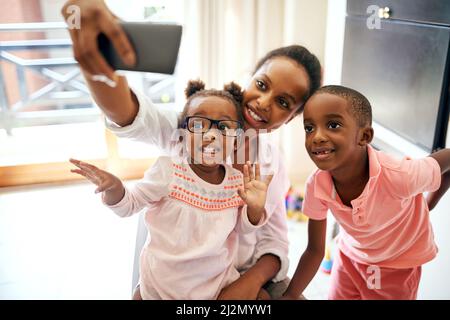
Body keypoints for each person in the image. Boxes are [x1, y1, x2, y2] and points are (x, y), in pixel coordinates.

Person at [61, 0, 322, 299]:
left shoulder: (272, 161)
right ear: (250, 79)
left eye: (284, 103)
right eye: (262, 85)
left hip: (240, 277)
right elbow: (128, 115)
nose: (265, 102)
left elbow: (274, 238)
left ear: (292, 118)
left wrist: (248, 283)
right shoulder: (192, 127)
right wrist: (97, 68)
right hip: (178, 284)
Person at [70, 80, 274, 299]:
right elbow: (128, 205)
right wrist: (115, 188)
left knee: (262, 298)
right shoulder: (169, 171)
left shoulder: (236, 181)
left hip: (216, 282)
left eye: (224, 127)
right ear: (183, 135)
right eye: (198, 125)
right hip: (164, 285)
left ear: (236, 142)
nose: (211, 135)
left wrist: (254, 209)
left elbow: (242, 230)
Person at [282, 85, 450, 300]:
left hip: (397, 265)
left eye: (333, 125)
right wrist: (291, 294)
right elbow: (315, 250)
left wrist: (428, 205)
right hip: (350, 257)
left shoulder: (402, 175)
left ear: (364, 136)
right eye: (309, 128)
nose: (317, 137)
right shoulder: (317, 185)